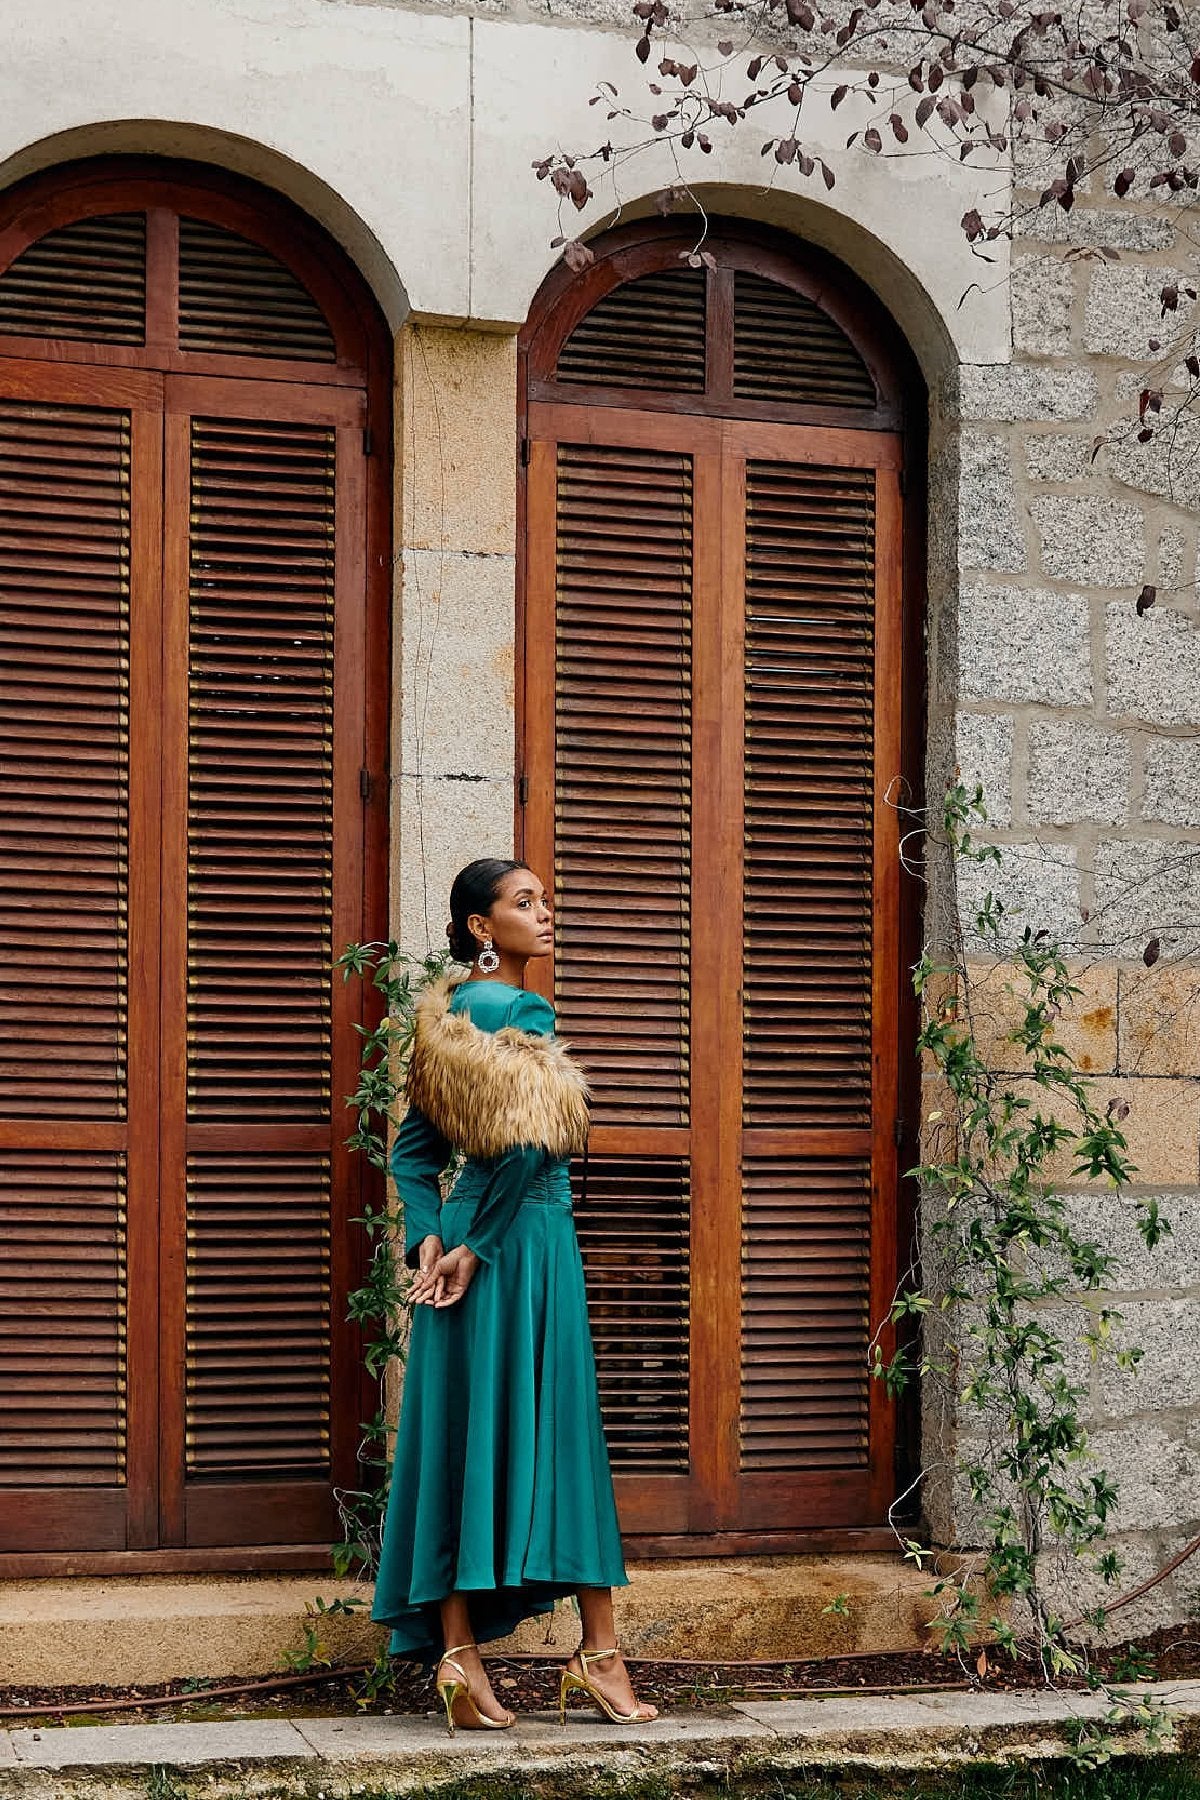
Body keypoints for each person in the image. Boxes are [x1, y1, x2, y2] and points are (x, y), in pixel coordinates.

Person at [371, 857, 658, 1733]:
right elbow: (530, 1150)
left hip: (466, 1243)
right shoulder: (525, 1010)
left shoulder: (444, 1019)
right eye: (524, 903)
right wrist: (478, 1249)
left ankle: (460, 1662)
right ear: (481, 928)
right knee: (564, 1439)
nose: (546, 914)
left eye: (545, 901)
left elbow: (414, 1155)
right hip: (521, 1247)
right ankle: (600, 1653)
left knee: (459, 1441)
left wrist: (433, 1234)